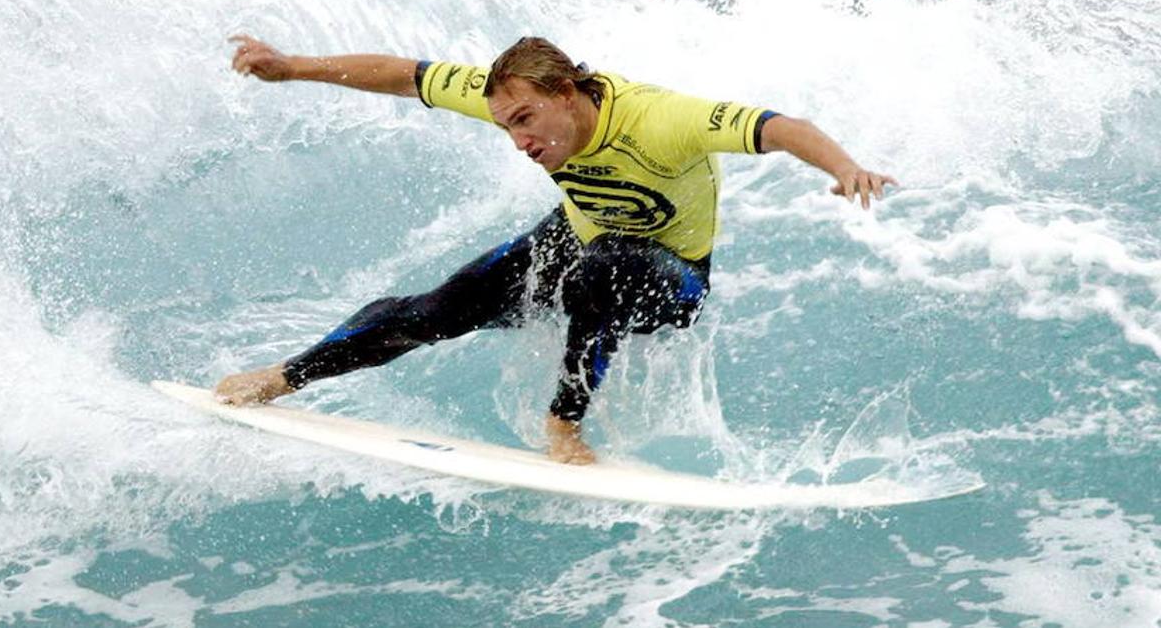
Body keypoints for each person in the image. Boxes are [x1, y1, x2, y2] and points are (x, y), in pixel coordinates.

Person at [215, 34, 895, 464]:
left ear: (566, 93)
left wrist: (842, 167)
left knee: (604, 270)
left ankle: (563, 426)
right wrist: (293, 67)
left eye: (526, 122)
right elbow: (402, 73)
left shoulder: (661, 121)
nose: (518, 141)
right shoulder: (512, 95)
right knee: (436, 309)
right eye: (507, 125)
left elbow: (780, 127)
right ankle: (286, 376)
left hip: (673, 275)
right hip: (577, 238)